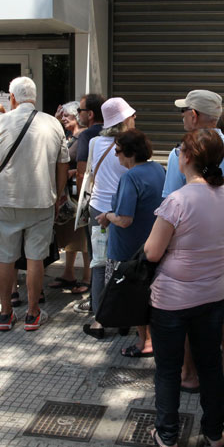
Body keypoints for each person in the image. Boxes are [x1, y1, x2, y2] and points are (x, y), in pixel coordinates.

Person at [144, 128, 224, 447]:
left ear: (189, 157)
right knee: (210, 365)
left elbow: (153, 252)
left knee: (168, 368)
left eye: (180, 149)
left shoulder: (177, 200)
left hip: (173, 298)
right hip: (212, 294)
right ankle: (215, 434)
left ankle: (167, 435)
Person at [164, 89, 224, 389]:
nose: (183, 116)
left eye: (184, 111)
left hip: (191, 252)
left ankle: (189, 373)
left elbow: (170, 205)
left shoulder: (183, 153)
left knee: (188, 312)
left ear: (195, 115)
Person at [0, 76, 69, 332]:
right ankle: (32, 312)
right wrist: (57, 194)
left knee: (5, 258)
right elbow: (62, 166)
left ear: (12, 98)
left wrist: (1, 179)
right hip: (42, 200)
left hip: (7, 200)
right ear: (35, 97)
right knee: (35, 258)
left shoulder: (0, 123)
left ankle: (6, 313)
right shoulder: (53, 123)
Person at [96, 128, 165, 357]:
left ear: (129, 152)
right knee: (150, 296)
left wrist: (107, 216)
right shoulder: (158, 169)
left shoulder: (130, 176)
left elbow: (125, 219)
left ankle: (145, 342)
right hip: (154, 243)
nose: (116, 155)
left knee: (134, 297)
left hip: (129, 250)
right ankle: (152, 339)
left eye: (117, 151)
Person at [83, 97, 134, 338]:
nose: (135, 119)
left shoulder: (94, 142)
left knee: (99, 264)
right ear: (123, 120)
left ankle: (99, 319)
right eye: (132, 116)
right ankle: (124, 318)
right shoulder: (131, 145)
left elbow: (91, 172)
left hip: (96, 210)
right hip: (121, 212)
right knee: (124, 264)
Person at [50, 100, 90, 295]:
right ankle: (68, 273)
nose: (64, 119)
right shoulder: (68, 135)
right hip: (67, 193)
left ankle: (87, 277)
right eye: (63, 116)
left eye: (67, 116)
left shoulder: (84, 137)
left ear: (77, 117)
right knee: (71, 236)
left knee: (82, 237)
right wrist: (57, 120)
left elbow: (85, 163)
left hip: (78, 192)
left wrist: (73, 171)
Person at [73, 93, 106, 315]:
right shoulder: (122, 136)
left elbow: (83, 173)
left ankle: (96, 304)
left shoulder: (89, 137)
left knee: (97, 255)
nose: (78, 115)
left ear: (91, 114)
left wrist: (79, 201)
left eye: (80, 111)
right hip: (120, 206)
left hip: (96, 205)